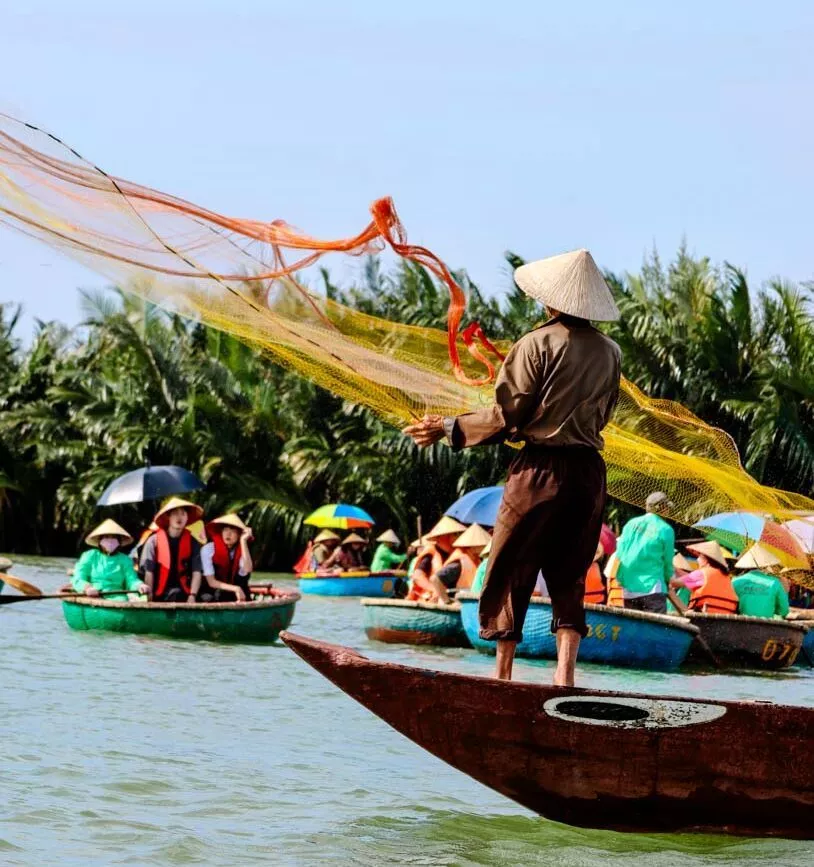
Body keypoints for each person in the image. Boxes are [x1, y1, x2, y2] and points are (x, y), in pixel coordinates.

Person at [404, 249, 621, 685]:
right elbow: (606, 412)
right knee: (571, 571)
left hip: (540, 469)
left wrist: (448, 427)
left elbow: (507, 415)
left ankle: (503, 675)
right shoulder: (611, 351)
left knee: (510, 564)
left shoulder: (536, 343)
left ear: (552, 300)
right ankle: (564, 676)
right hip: (588, 474)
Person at [613, 492, 675, 614]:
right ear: (662, 508)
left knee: (632, 625)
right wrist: (668, 579)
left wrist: (619, 577)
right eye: (667, 507)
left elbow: (619, 553)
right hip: (652, 587)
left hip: (629, 588)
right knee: (655, 625)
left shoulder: (631, 524)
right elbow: (668, 561)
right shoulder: (666, 529)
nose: (668, 511)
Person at [141, 498, 204, 603]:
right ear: (168, 517)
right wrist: (149, 594)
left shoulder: (193, 542)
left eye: (183, 514)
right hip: (158, 593)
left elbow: (197, 571)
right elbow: (149, 571)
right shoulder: (153, 541)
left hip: (185, 592)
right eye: (175, 514)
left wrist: (192, 595)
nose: (179, 517)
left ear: (187, 518)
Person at [72, 519, 148, 599]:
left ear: (119, 541)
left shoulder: (125, 560)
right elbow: (78, 578)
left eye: (114, 537)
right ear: (100, 540)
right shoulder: (89, 556)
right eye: (106, 537)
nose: (110, 541)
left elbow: (132, 580)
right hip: (92, 595)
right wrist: (87, 588)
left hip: (118, 598)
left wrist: (139, 585)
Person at [407, 516, 466, 601]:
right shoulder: (431, 553)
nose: (456, 538)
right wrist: (435, 589)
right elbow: (417, 576)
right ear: (442, 536)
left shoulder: (455, 554)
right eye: (453, 534)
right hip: (427, 599)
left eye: (456, 534)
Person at [430, 523, 492, 603]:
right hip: (459, 603)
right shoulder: (458, 563)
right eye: (482, 545)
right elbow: (435, 579)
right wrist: (447, 602)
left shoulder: (476, 559)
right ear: (473, 546)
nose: (485, 547)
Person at [671, 541, 738, 614]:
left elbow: (673, 583)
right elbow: (690, 578)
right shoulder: (726, 576)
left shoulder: (701, 573)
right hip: (726, 616)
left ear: (705, 560)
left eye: (699, 556)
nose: (697, 560)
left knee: (668, 589)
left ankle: (684, 612)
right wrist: (675, 569)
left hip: (704, 616)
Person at [200, 514, 254, 602]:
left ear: (239, 534)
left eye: (233, 530)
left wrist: (243, 541)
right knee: (218, 595)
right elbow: (211, 582)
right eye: (225, 530)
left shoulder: (243, 549)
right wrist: (236, 589)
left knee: (244, 594)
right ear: (221, 532)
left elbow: (248, 569)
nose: (228, 534)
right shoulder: (208, 549)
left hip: (238, 590)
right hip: (212, 590)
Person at [731, 544, 789, 618]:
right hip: (766, 624)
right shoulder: (775, 583)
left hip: (740, 624)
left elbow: (731, 607)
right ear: (766, 565)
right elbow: (784, 611)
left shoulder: (735, 582)